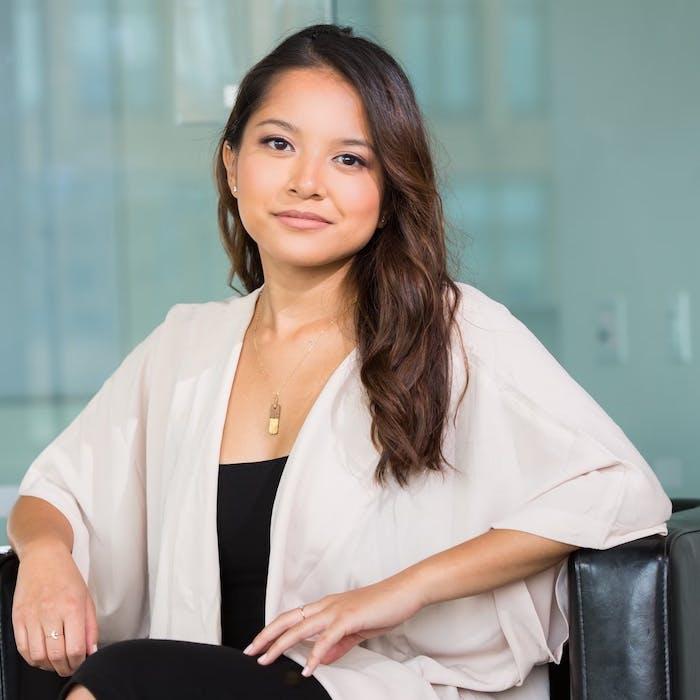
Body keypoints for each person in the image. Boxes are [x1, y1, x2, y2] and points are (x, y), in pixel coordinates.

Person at [7, 22, 671, 700]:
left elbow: (619, 489)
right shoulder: (185, 347)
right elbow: (56, 491)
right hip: (205, 682)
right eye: (278, 144)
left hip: (375, 688)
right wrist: (47, 556)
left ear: (389, 192)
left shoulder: (452, 330)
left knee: (122, 678)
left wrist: (399, 593)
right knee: (63, 664)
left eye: (350, 160)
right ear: (232, 163)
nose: (306, 182)